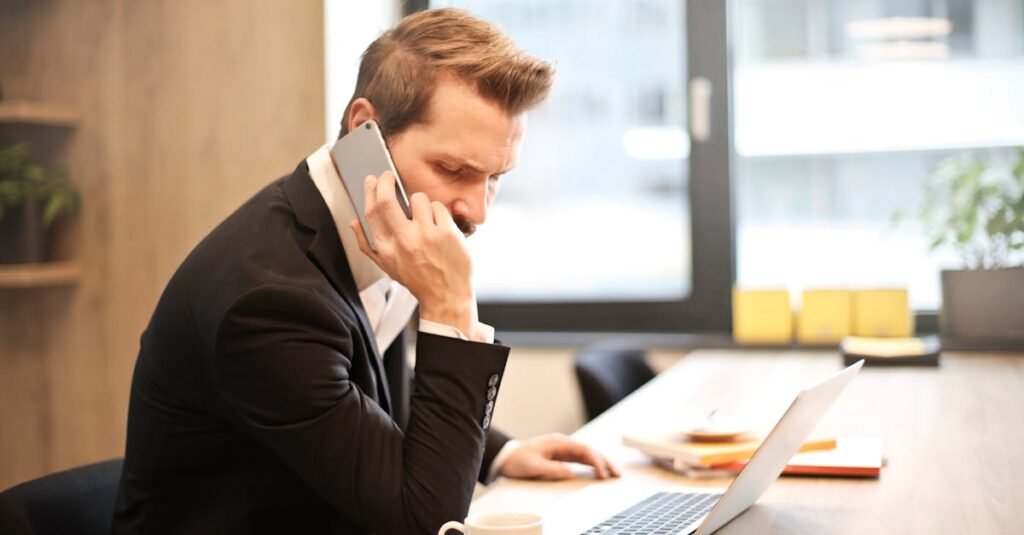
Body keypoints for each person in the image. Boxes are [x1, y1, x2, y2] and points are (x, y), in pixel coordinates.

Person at [112, 8, 618, 534]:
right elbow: (423, 522)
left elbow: (372, 387)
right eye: (453, 170)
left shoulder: (368, 231)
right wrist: (451, 309)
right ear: (364, 130)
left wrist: (500, 452)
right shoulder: (267, 303)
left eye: (494, 178)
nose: (477, 210)